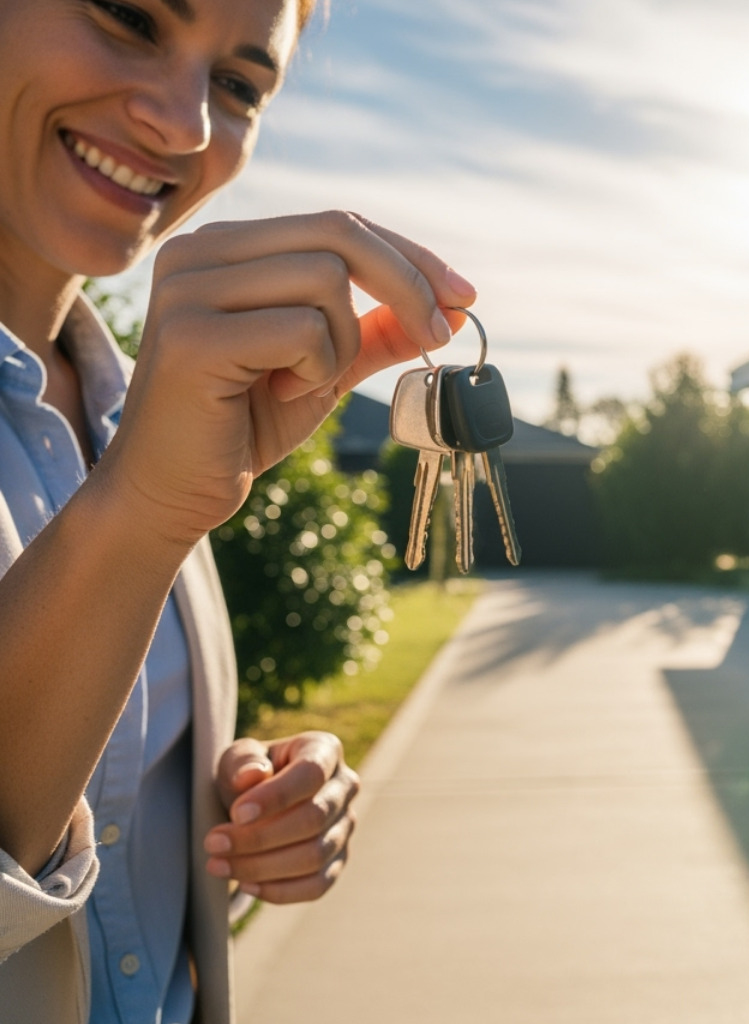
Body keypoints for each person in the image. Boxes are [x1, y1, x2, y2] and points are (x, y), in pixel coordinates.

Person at [0, 1, 475, 1020]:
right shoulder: (153, 464)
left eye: (240, 85)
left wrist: (248, 799)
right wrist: (142, 509)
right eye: (127, 17)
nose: (186, 124)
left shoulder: (141, 406)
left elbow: (111, 774)